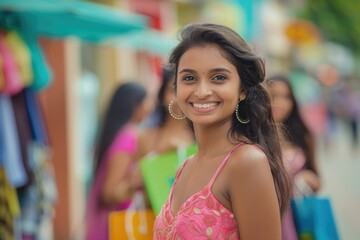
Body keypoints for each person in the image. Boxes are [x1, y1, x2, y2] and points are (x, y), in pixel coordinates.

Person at [153, 23, 291, 240]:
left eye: (218, 77)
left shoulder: (246, 162)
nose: (202, 91)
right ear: (176, 87)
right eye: (189, 78)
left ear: (242, 90)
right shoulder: (185, 166)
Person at [85, 82, 153, 240]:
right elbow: (108, 192)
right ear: (135, 105)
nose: (149, 107)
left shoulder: (122, 134)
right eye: (146, 101)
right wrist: (137, 183)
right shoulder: (129, 137)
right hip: (122, 223)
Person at [266, 75, 321, 240]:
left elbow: (317, 181)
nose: (280, 102)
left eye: (286, 97)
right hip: (267, 218)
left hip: (297, 217)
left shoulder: (303, 135)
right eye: (273, 96)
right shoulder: (252, 138)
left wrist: (308, 178)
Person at [137, 65, 194, 159]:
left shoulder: (208, 137)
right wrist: (159, 156)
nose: (180, 97)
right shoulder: (145, 138)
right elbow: (134, 173)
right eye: (174, 90)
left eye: (187, 89)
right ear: (162, 96)